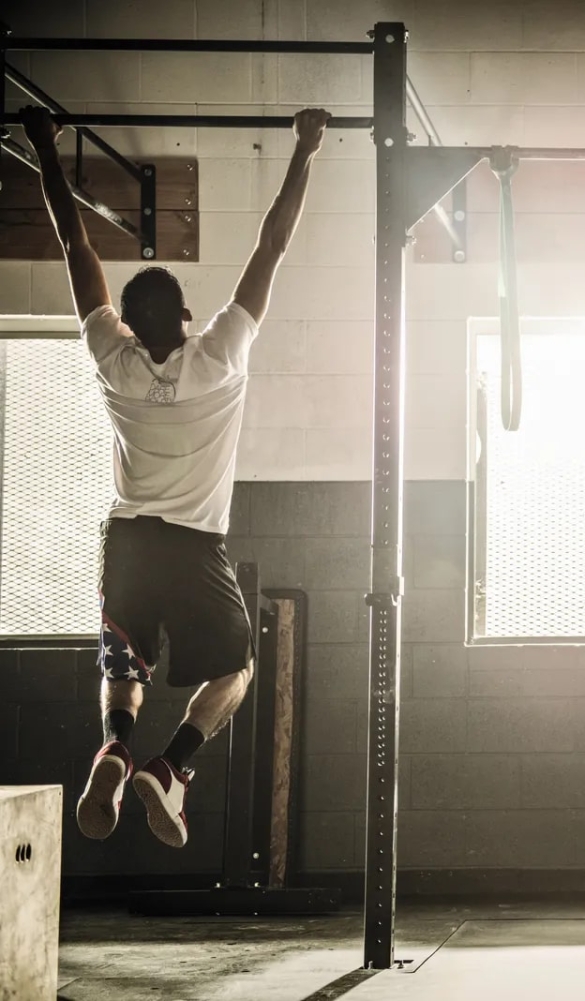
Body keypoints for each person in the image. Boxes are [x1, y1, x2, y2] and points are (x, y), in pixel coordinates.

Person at [20, 105, 331, 849]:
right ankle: (171, 769)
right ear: (188, 316)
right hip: (196, 548)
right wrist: (306, 148)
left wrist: (44, 149)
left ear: (126, 322)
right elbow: (273, 244)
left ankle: (117, 748)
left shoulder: (111, 358)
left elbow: (75, 240)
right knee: (237, 670)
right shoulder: (219, 354)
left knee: (123, 663)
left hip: (128, 542)